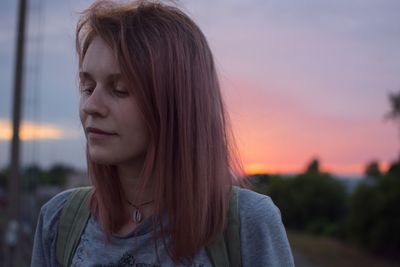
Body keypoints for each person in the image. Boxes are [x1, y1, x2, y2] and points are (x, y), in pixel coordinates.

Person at [31, 1, 294, 266]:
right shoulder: (60, 220)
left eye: (120, 89)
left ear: (177, 102)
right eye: (88, 87)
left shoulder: (247, 223)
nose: (91, 106)